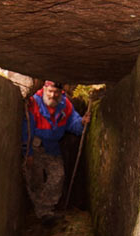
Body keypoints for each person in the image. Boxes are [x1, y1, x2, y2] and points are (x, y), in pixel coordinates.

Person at [22, 81, 90, 226]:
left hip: (52, 148)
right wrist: (28, 153)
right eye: (50, 91)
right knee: (35, 180)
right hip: (35, 147)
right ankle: (40, 212)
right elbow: (27, 129)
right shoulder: (34, 103)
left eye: (56, 92)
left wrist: (82, 122)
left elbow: (74, 123)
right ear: (45, 89)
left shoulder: (65, 105)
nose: (53, 95)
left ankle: (45, 210)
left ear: (61, 92)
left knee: (58, 176)